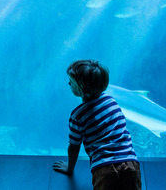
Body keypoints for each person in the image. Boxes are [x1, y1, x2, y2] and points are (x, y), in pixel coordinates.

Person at [53, 60, 141, 190]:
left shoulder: (78, 115)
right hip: (131, 163)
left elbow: (74, 146)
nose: (68, 83)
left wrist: (69, 168)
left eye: (71, 82)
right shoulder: (112, 102)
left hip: (104, 169)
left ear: (81, 90)